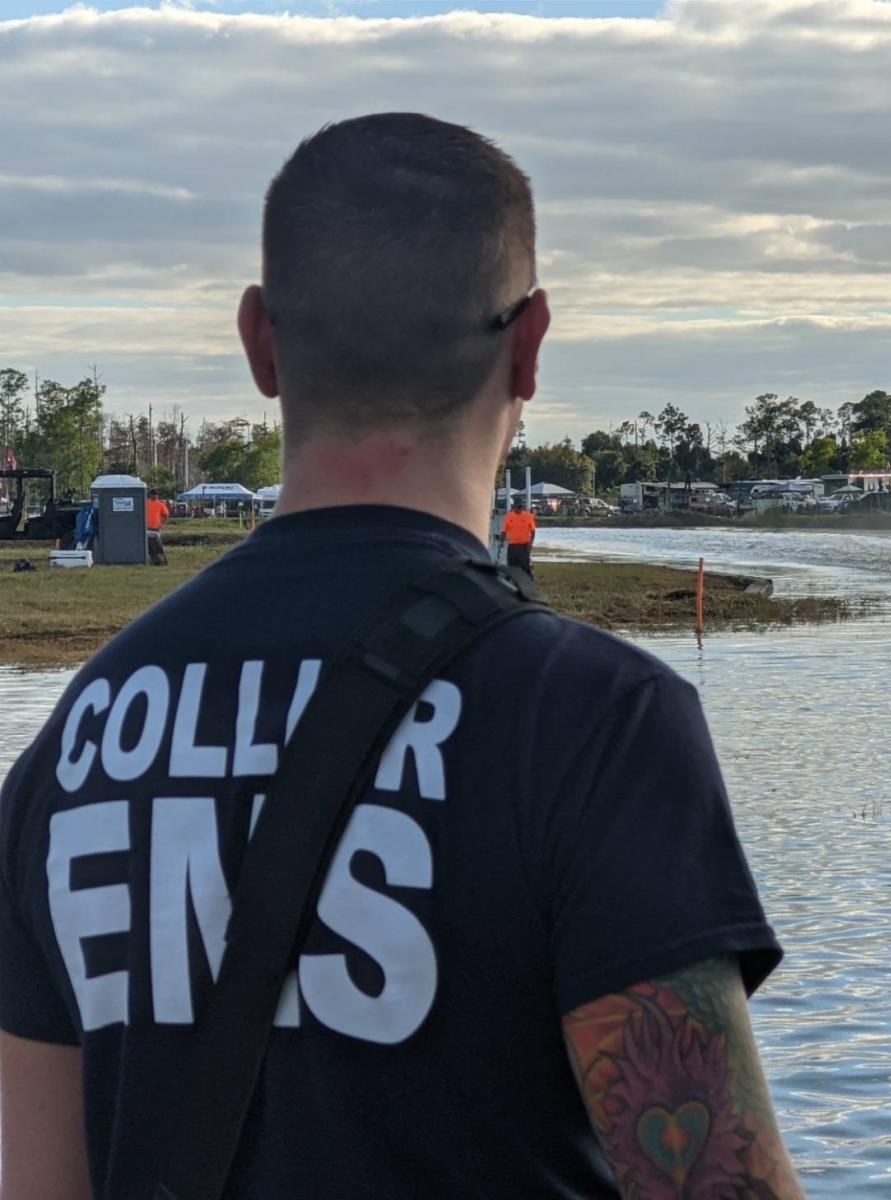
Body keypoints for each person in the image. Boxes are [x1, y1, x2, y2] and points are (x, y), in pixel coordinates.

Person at [0, 113, 803, 1200]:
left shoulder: (81, 737)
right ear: (530, 346)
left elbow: (44, 1180)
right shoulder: (594, 719)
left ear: (260, 345)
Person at [503, 493, 536, 575]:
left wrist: (531, 543)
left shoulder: (528, 516)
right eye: (518, 506)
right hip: (512, 546)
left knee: (525, 566)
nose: (519, 508)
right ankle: (512, 581)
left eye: (521, 506)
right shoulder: (509, 516)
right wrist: (501, 541)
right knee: (511, 565)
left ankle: (528, 581)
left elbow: (533, 531)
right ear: (514, 506)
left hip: (524, 546)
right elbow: (504, 530)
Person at [145, 490, 170, 565]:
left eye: (156, 495)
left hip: (156, 528)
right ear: (150, 495)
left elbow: (166, 514)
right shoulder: (146, 503)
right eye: (154, 495)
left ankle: (158, 559)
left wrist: (162, 523)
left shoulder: (160, 504)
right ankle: (150, 559)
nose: (155, 496)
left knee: (157, 545)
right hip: (147, 527)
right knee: (148, 545)